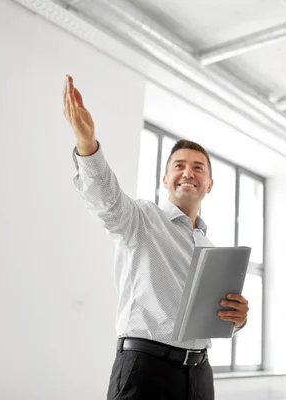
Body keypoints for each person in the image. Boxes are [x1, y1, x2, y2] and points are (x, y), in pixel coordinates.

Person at [62, 75, 249, 400]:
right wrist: (86, 143)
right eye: (179, 165)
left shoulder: (208, 246)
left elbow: (216, 318)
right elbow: (105, 200)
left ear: (210, 185)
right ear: (166, 178)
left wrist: (239, 319)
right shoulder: (142, 219)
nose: (188, 172)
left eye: (198, 168)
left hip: (200, 373)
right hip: (146, 370)